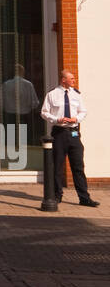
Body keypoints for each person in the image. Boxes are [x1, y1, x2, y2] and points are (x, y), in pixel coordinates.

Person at [40, 69, 99, 207]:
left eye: (73, 78)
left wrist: (76, 118)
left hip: (74, 133)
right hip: (59, 133)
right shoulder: (52, 94)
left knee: (78, 166)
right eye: (71, 78)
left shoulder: (76, 94)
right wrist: (56, 119)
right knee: (57, 166)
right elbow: (44, 112)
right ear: (63, 80)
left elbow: (83, 111)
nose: (74, 80)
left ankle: (84, 198)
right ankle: (56, 196)